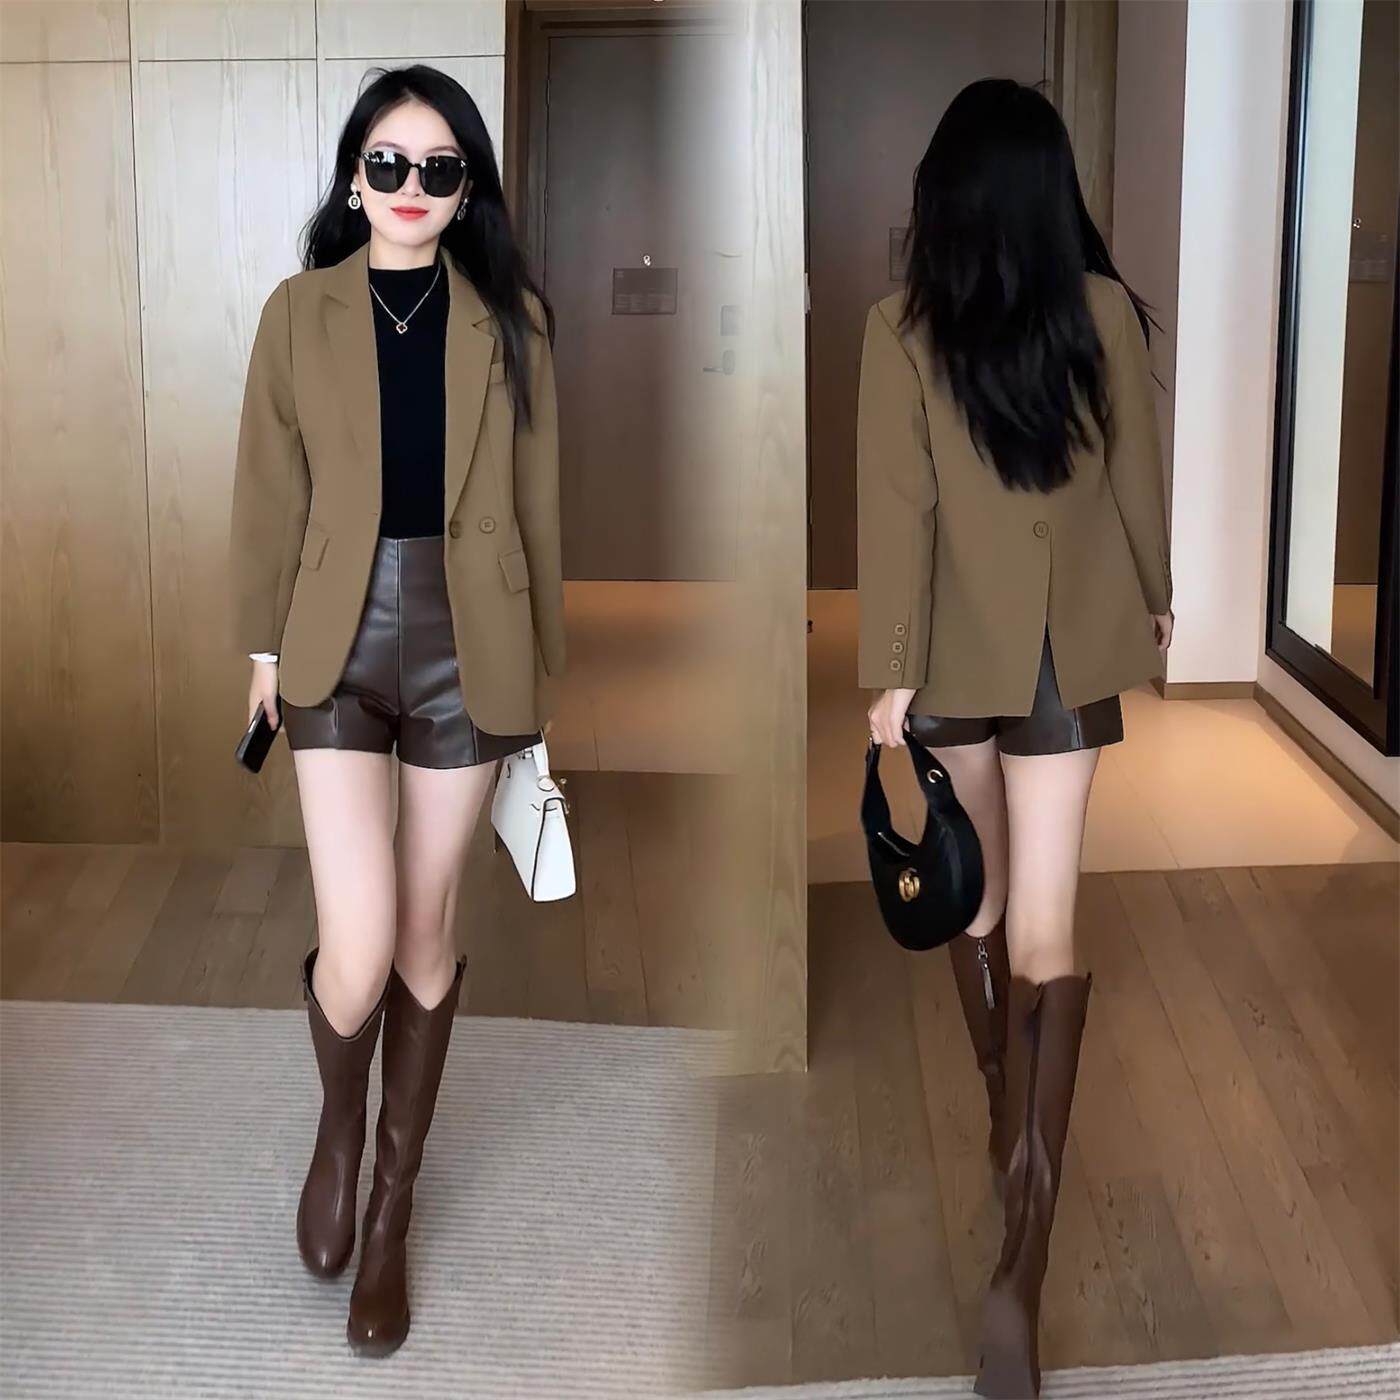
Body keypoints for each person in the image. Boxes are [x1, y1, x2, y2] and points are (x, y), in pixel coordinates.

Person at [227, 64, 563, 1357]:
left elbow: (538, 510)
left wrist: (540, 680)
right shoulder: (298, 313)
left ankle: (390, 1209)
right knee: (358, 941)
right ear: (354, 178)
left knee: (426, 931)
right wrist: (264, 647)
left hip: (471, 644)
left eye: (438, 168)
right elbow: (268, 493)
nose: (410, 187)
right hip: (336, 637)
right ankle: (339, 1120)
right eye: (387, 164)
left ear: (466, 189)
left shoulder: (512, 323)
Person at [856, 78, 1173, 1399]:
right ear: (1053, 194)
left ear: (943, 195)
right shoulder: (1102, 314)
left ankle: (1004, 1117)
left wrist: (889, 673)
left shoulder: (899, 329)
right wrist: (1154, 602)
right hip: (1065, 659)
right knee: (1048, 929)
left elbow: (899, 514)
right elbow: (1139, 487)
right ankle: (1022, 1265)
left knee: (972, 904)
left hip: (950, 658)